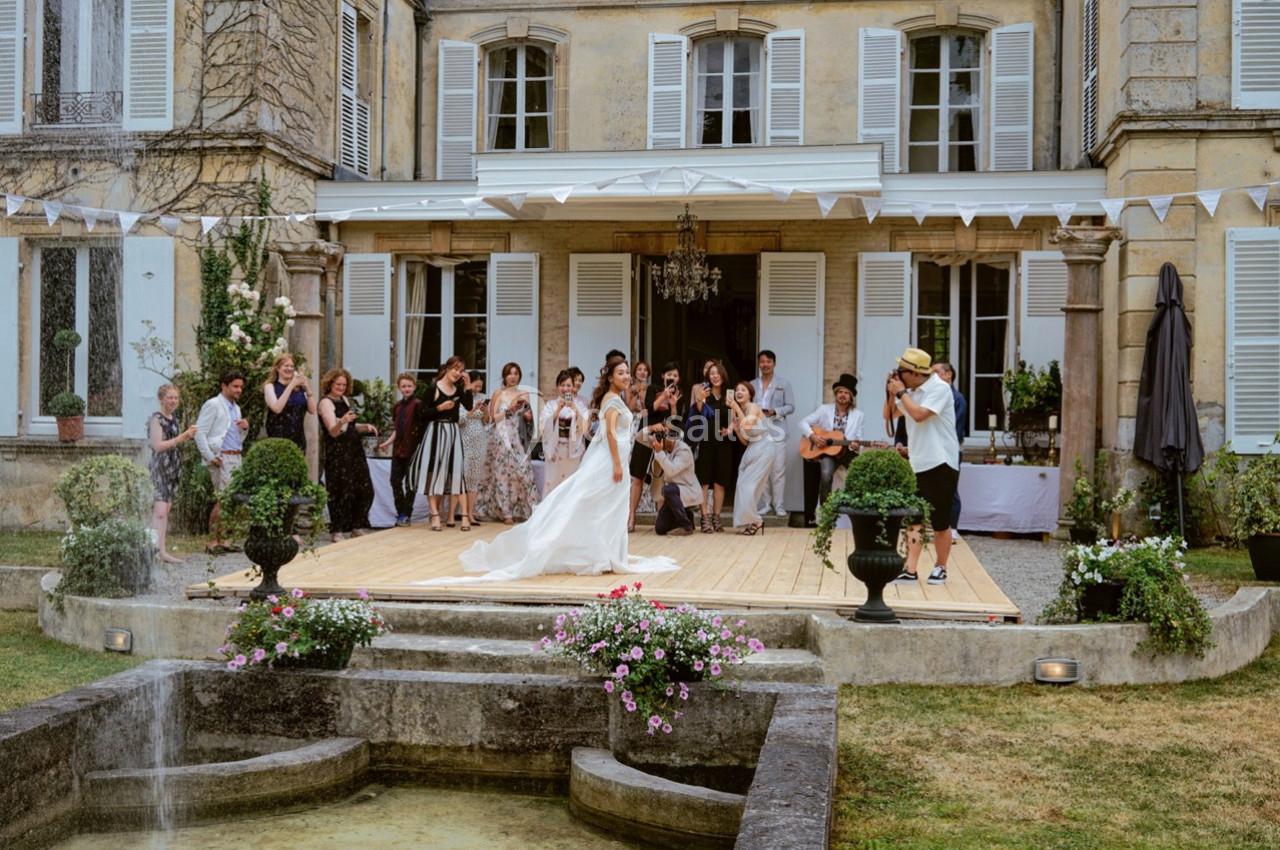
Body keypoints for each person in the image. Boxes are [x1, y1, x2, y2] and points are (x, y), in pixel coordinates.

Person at [426, 355, 678, 583]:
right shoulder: (611, 400)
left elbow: (624, 432)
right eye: (621, 372)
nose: (626, 377)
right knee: (588, 503)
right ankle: (581, 547)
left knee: (607, 507)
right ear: (610, 377)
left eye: (627, 373)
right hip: (609, 462)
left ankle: (607, 551)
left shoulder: (617, 399)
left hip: (616, 459)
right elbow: (610, 433)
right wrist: (615, 463)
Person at [887, 348, 960, 585]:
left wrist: (901, 393)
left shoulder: (939, 388)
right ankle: (910, 569)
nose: (899, 375)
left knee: (940, 520)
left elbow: (919, 415)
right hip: (918, 462)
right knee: (914, 518)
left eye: (902, 371)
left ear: (915, 373)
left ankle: (941, 566)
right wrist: (891, 393)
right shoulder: (913, 391)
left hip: (941, 461)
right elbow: (889, 415)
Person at [407, 356, 474, 531]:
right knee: (433, 472)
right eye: (455, 369)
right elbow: (421, 413)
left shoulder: (458, 388)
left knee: (456, 472)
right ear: (447, 369)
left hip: (453, 433)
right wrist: (439, 408)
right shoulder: (433, 388)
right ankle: (434, 514)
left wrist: (467, 387)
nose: (458, 373)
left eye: (461, 371)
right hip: (435, 432)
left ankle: (465, 517)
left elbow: (468, 407)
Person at [318, 367, 377, 541]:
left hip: (354, 450)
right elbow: (333, 431)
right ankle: (337, 529)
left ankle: (356, 525)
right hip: (338, 452)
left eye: (344, 384)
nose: (341, 387)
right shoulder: (325, 403)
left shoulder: (344, 399)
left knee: (364, 489)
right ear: (330, 384)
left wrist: (364, 426)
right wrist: (342, 420)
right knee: (339, 491)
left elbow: (349, 427)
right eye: (338, 384)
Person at [476, 361, 538, 525]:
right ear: (504, 376)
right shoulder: (498, 394)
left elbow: (528, 416)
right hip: (500, 438)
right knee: (502, 474)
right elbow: (490, 419)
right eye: (510, 373)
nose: (513, 376)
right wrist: (508, 410)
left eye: (516, 373)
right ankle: (506, 512)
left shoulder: (524, 393)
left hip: (518, 437)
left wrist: (527, 415)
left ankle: (528, 510)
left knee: (523, 473)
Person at [195, 370, 249, 554]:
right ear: (224, 386)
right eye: (235, 386)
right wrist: (210, 457)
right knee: (222, 500)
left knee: (232, 500)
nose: (239, 390)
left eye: (241, 387)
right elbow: (199, 433)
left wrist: (245, 429)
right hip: (221, 456)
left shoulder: (236, 407)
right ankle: (212, 542)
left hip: (236, 455)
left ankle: (225, 540)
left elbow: (234, 435)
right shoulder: (213, 404)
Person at [800, 374, 865, 527]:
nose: (843, 395)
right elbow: (802, 423)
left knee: (859, 476)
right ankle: (826, 512)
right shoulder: (824, 410)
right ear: (836, 394)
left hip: (847, 451)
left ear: (851, 397)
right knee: (826, 474)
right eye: (840, 392)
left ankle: (859, 513)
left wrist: (857, 445)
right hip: (827, 451)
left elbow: (859, 438)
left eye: (846, 393)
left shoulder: (859, 415)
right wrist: (813, 437)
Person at [149, 384, 198, 563]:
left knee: (166, 510)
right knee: (159, 511)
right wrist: (181, 438)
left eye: (176, 398)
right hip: (160, 467)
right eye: (170, 397)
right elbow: (157, 446)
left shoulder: (173, 418)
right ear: (161, 399)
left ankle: (162, 551)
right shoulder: (157, 419)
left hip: (173, 467)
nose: (173, 401)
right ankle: (152, 551)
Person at [686, 360, 733, 533]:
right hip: (705, 442)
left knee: (720, 482)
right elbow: (697, 414)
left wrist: (730, 429)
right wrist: (700, 399)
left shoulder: (730, 394)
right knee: (704, 482)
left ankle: (717, 517)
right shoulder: (703, 393)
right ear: (708, 376)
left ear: (723, 375)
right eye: (711, 373)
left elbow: (734, 419)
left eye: (717, 373)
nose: (715, 376)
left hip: (724, 443)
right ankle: (704, 518)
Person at [377, 373, 426, 527]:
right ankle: (400, 512)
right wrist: (387, 443)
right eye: (403, 386)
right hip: (398, 450)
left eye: (409, 386)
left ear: (414, 387)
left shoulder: (418, 404)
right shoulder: (397, 406)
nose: (406, 389)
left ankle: (406, 514)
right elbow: (397, 430)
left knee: (410, 484)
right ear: (399, 388)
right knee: (394, 481)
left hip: (413, 449)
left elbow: (423, 428)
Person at [751, 350, 794, 518]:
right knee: (763, 470)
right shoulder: (752, 384)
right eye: (762, 362)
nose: (765, 365)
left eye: (768, 361)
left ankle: (779, 505)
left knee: (778, 470)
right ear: (759, 364)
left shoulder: (784, 383)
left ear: (774, 364)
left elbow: (791, 406)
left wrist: (775, 411)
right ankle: (765, 504)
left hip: (777, 431)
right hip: (758, 432)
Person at [728, 381, 773, 535]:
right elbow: (746, 440)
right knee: (742, 485)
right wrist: (736, 430)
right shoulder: (741, 410)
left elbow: (748, 426)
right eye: (737, 390)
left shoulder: (753, 407)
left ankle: (756, 521)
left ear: (750, 394)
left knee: (749, 486)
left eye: (743, 390)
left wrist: (734, 408)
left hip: (765, 448)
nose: (739, 392)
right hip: (753, 448)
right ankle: (752, 520)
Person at [641, 425, 700, 536]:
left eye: (664, 436)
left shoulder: (683, 450)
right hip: (673, 495)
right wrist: (651, 428)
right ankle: (687, 516)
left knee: (668, 490)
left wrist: (659, 453)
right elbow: (639, 436)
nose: (660, 440)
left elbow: (671, 471)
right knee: (660, 529)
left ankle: (686, 526)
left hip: (686, 490)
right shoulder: (661, 444)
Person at [933, 362, 968, 540]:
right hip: (935, 449)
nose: (933, 376)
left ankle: (953, 528)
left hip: (950, 449)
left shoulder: (957, 398)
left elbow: (955, 429)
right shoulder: (934, 396)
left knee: (950, 489)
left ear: (948, 375)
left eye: (936, 372)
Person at [540, 369, 591, 492]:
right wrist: (558, 410)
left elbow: (585, 426)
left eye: (568, 385)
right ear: (557, 387)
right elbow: (543, 425)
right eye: (562, 385)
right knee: (553, 481)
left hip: (572, 450)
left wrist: (575, 409)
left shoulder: (579, 405)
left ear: (573, 387)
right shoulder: (551, 405)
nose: (565, 388)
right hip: (556, 449)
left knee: (570, 482)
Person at [263, 354, 316, 452]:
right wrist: (291, 385)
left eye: (292, 366)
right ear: (278, 368)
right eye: (286, 366)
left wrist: (307, 388)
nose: (290, 369)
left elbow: (312, 410)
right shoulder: (270, 387)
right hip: (278, 438)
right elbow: (277, 409)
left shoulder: (299, 389)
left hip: (298, 438)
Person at [459, 370, 490, 522]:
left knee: (474, 478)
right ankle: (460, 513)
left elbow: (487, 421)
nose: (478, 382)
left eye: (480, 379)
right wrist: (472, 410)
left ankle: (470, 513)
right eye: (475, 379)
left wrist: (484, 411)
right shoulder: (461, 397)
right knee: (462, 476)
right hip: (464, 439)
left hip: (479, 440)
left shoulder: (483, 398)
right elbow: (460, 420)